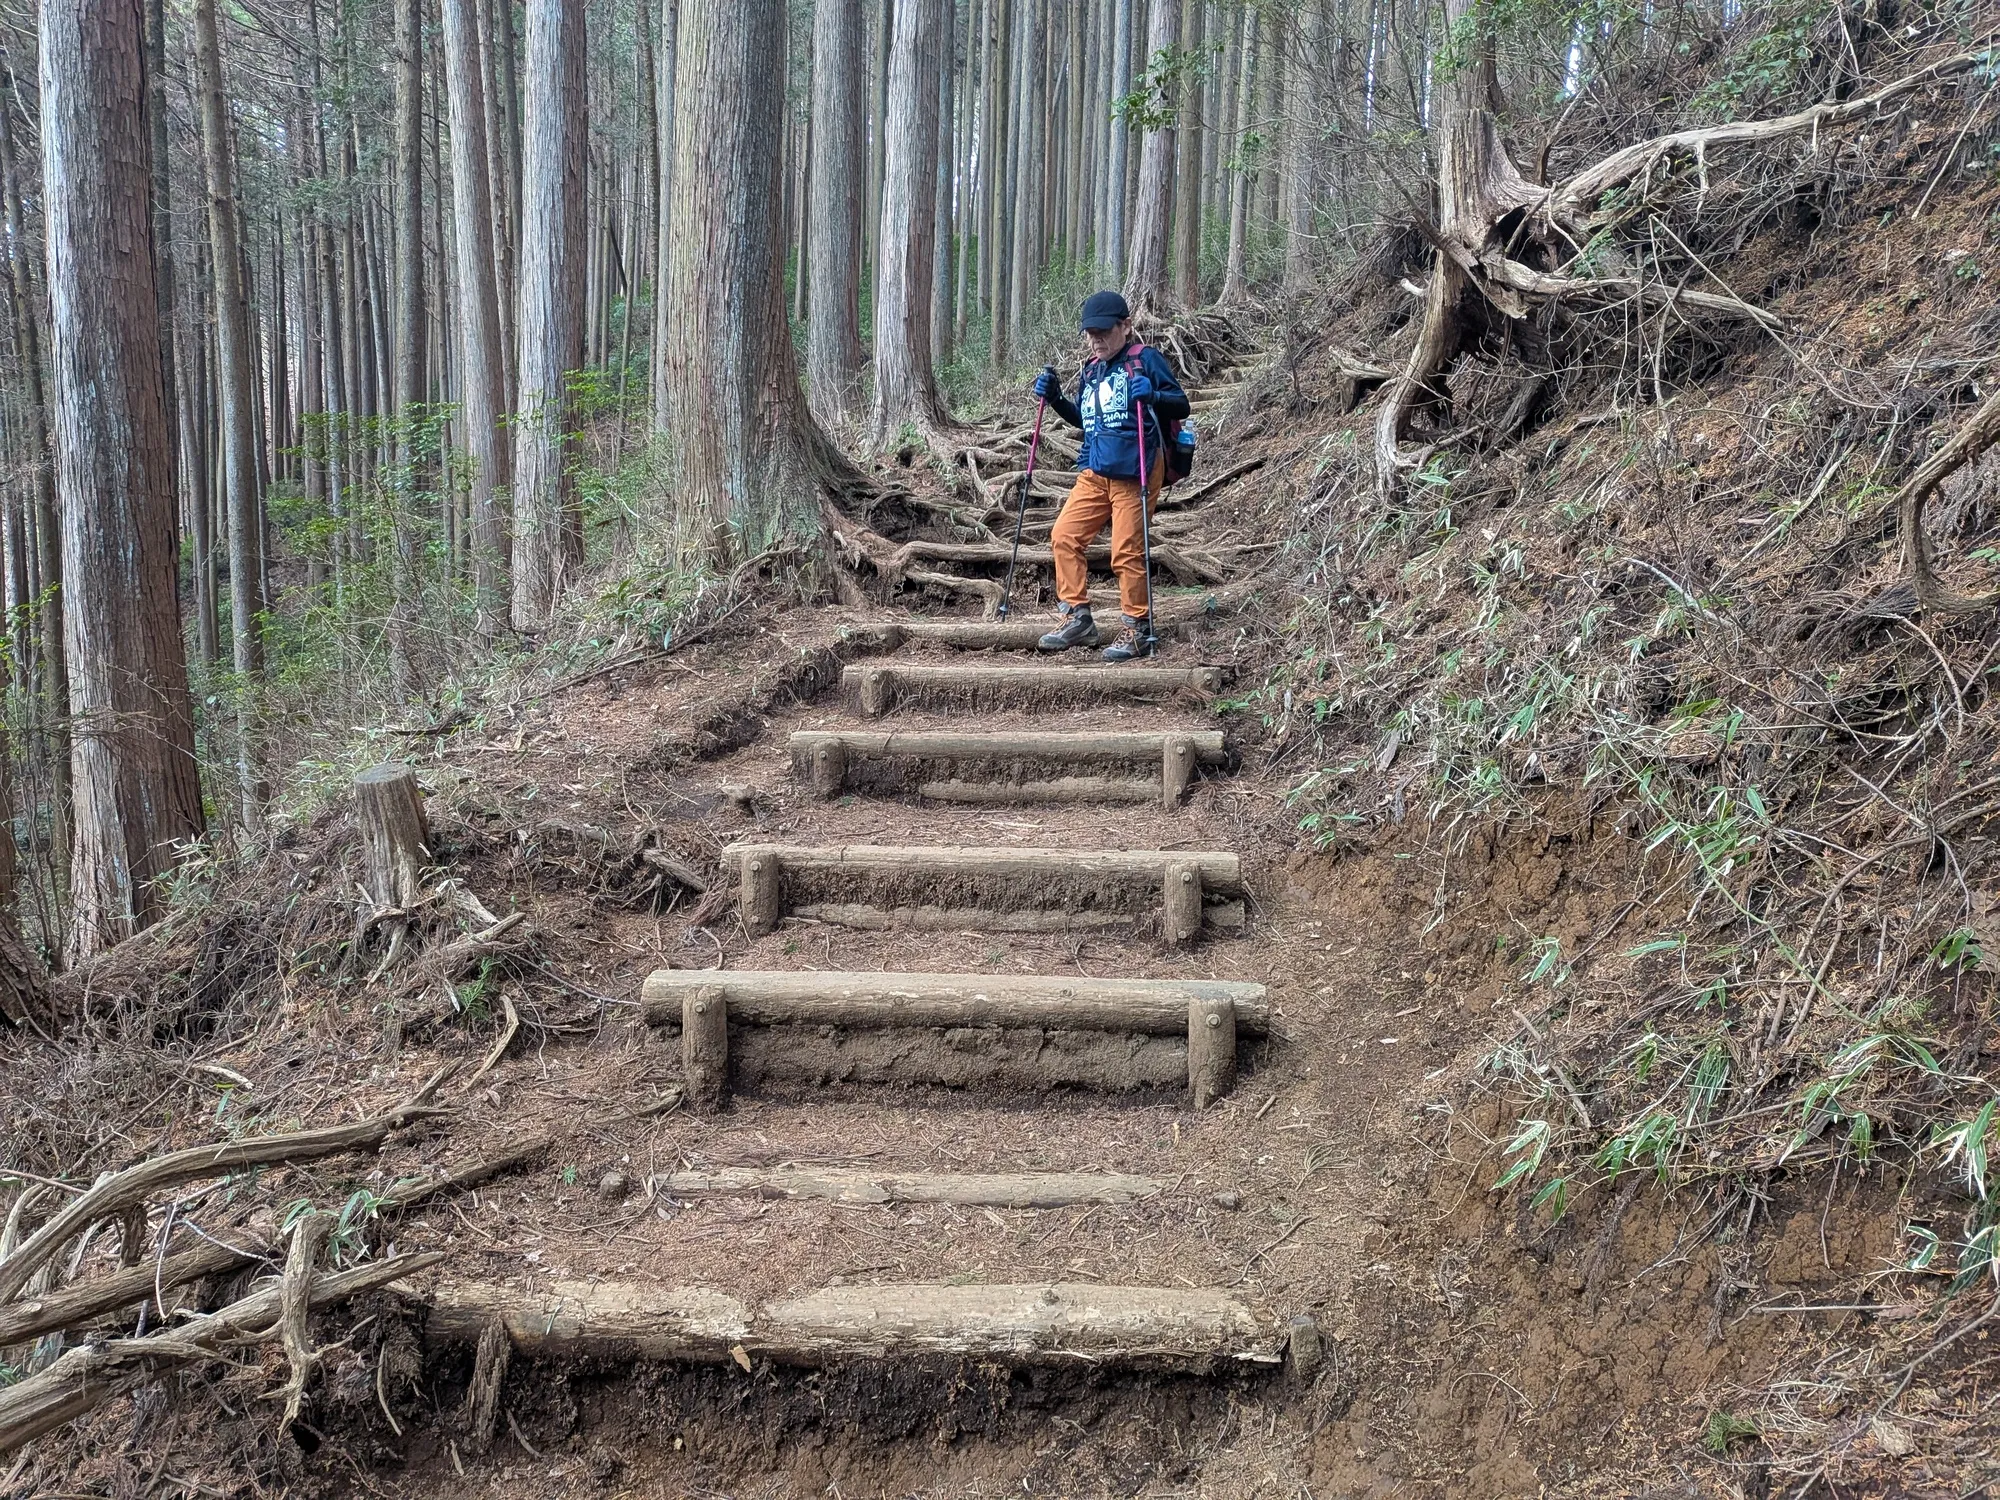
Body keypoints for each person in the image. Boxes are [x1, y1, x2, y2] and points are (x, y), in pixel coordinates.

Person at [1031, 290, 1190, 661]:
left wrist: (1153, 395)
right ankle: (1078, 619)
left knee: (1125, 551)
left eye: (1103, 331)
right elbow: (1086, 422)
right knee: (1064, 536)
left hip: (1137, 469)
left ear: (1125, 326)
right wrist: (1056, 400)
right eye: (1090, 332)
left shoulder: (1145, 360)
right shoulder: (1091, 370)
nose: (1096, 339)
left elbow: (1180, 402)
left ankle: (1138, 628)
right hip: (1095, 469)